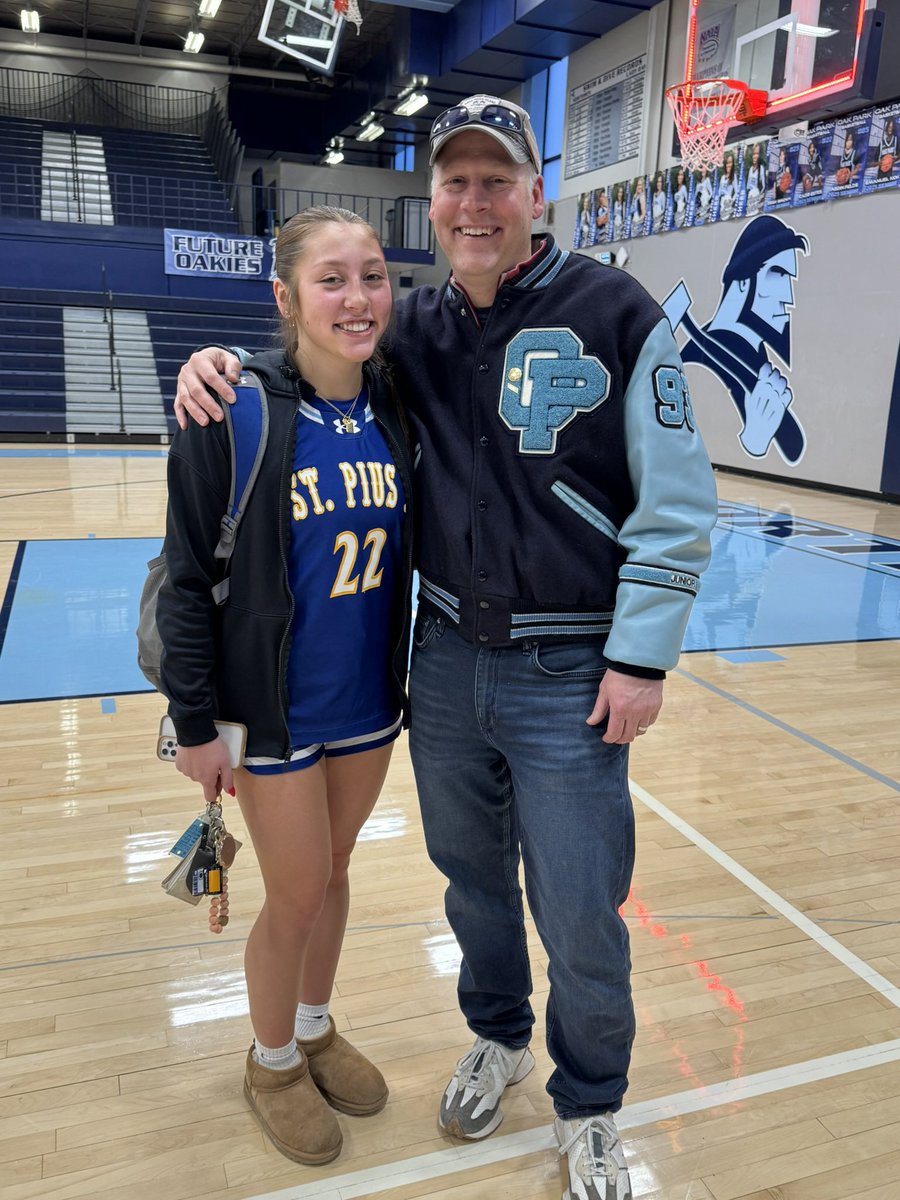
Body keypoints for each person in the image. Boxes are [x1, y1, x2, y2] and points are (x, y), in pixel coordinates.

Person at [174, 93, 718, 1200]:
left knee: (577, 900)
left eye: (496, 180)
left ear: (537, 193)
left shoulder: (617, 312)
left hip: (572, 667)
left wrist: (641, 657)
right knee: (470, 886)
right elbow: (308, 348)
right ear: (435, 203)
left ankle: (594, 1103)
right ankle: (499, 1035)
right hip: (443, 664)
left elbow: (680, 503)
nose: (475, 202)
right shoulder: (410, 329)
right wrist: (217, 358)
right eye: (456, 182)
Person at [157, 206, 414, 1166]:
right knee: (297, 890)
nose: (357, 298)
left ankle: (313, 1026)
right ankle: (270, 1061)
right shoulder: (234, 409)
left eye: (375, 276)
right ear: (286, 297)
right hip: (270, 708)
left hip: (366, 702)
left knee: (336, 877)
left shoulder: (397, 401)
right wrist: (193, 724)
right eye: (332, 279)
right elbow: (187, 575)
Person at [680, 213, 808, 463]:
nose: (788, 297)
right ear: (740, 284)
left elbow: (794, 448)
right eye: (777, 275)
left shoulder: (754, 354)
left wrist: (757, 441)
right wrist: (753, 441)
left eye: (789, 280)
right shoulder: (696, 365)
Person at [745, 142, 766, 215]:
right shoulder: (750, 169)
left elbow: (763, 186)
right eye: (754, 154)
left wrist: (760, 197)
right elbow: (748, 185)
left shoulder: (761, 168)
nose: (755, 156)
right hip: (750, 195)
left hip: (756, 194)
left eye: (757, 153)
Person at [717, 151, 737, 219]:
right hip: (722, 202)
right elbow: (719, 191)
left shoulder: (734, 176)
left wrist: (731, 201)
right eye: (727, 163)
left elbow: (737, 192)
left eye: (730, 162)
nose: (728, 165)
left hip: (728, 201)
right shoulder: (722, 177)